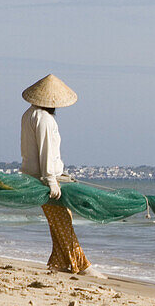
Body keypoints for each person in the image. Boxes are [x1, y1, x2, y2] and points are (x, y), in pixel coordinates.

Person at [20, 74, 105, 278]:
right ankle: (82, 265)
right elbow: (46, 151)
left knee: (58, 221)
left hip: (34, 177)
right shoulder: (45, 120)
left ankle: (58, 262)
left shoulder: (28, 114)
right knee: (63, 220)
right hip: (45, 180)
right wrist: (51, 181)